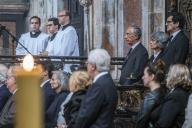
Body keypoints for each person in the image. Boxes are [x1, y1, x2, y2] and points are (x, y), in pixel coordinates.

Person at [74, 48, 118, 128]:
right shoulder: (108, 81)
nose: (86, 66)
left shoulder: (98, 85)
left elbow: (86, 115)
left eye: (87, 63)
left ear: (93, 67)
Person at [136, 60, 167, 128]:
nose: (142, 77)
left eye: (144, 74)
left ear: (152, 76)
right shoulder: (162, 91)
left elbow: (141, 121)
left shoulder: (152, 97)